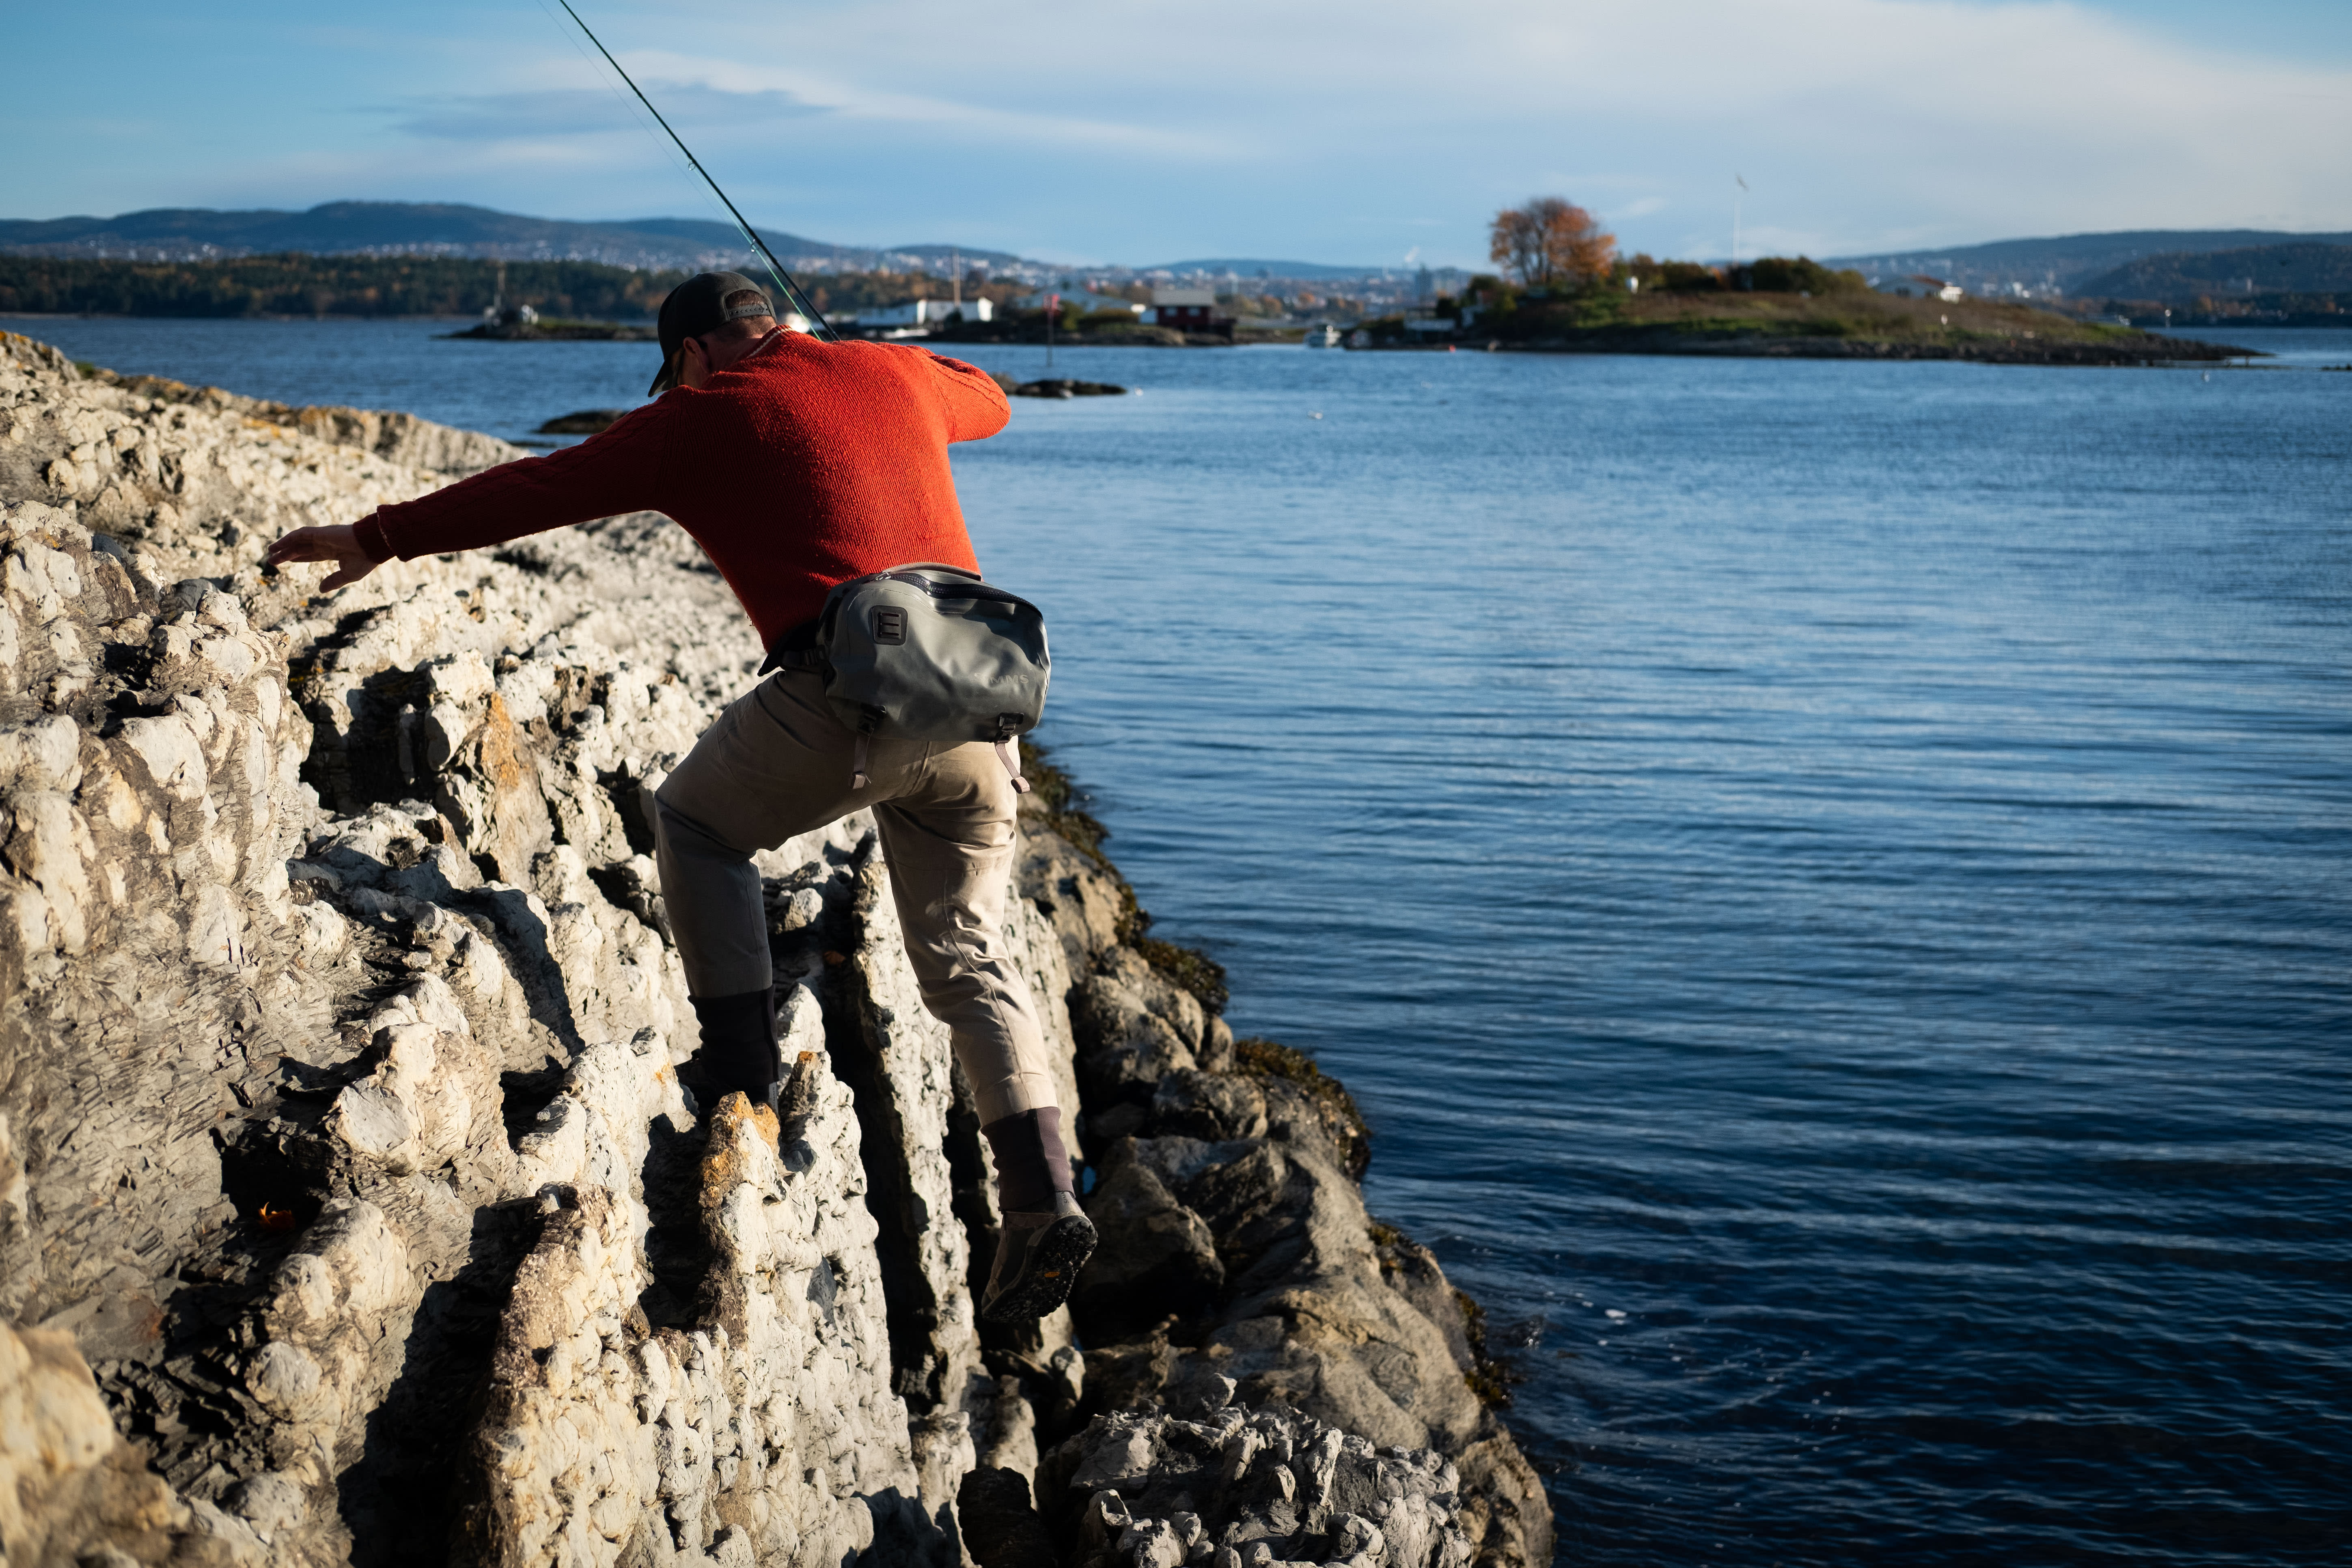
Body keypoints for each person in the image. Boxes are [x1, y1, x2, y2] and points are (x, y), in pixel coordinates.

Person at [264, 271, 1093, 1322]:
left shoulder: (698, 418)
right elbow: (988, 394)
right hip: (980, 722)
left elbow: (535, 489)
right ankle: (1042, 1196)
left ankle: (741, 1079)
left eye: (676, 373)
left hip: (842, 704)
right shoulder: (890, 372)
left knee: (695, 823)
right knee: (969, 960)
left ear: (694, 354)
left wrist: (378, 535)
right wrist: (856, 355)